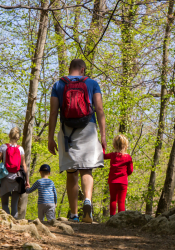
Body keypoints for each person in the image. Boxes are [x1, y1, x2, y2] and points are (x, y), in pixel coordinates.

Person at [48, 59, 106, 223]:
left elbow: (53, 113)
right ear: (83, 69)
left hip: (68, 131)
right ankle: (87, 200)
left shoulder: (59, 84)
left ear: (69, 69)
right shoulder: (92, 83)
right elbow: (99, 109)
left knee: (71, 172)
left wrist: (50, 138)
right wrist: (103, 135)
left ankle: (74, 214)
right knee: (87, 170)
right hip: (88, 128)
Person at [0, 127, 30, 218]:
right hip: (17, 179)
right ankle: (14, 224)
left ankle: (7, 225)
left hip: (4, 178)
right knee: (14, 206)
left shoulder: (3, 147)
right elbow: (24, 165)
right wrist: (27, 181)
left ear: (9, 135)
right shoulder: (20, 149)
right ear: (18, 138)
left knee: (5, 204)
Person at [103, 135, 133, 216]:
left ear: (114, 145)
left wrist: (103, 147)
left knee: (113, 200)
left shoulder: (112, 155)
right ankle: (121, 217)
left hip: (112, 182)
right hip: (123, 183)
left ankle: (112, 216)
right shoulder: (128, 157)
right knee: (121, 201)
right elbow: (130, 171)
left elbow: (103, 156)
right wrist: (126, 173)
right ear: (126, 146)